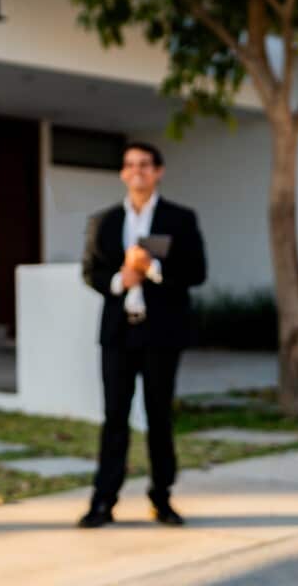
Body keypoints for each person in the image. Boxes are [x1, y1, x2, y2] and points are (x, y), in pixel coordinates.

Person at [79, 141, 207, 529]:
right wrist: (122, 278)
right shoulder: (103, 221)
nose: (137, 171)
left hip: (162, 334)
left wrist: (153, 269)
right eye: (130, 165)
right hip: (119, 333)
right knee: (114, 418)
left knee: (158, 417)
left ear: (158, 171)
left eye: (145, 165)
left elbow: (197, 272)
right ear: (122, 172)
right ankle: (103, 501)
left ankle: (162, 498)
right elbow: (90, 271)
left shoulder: (180, 219)